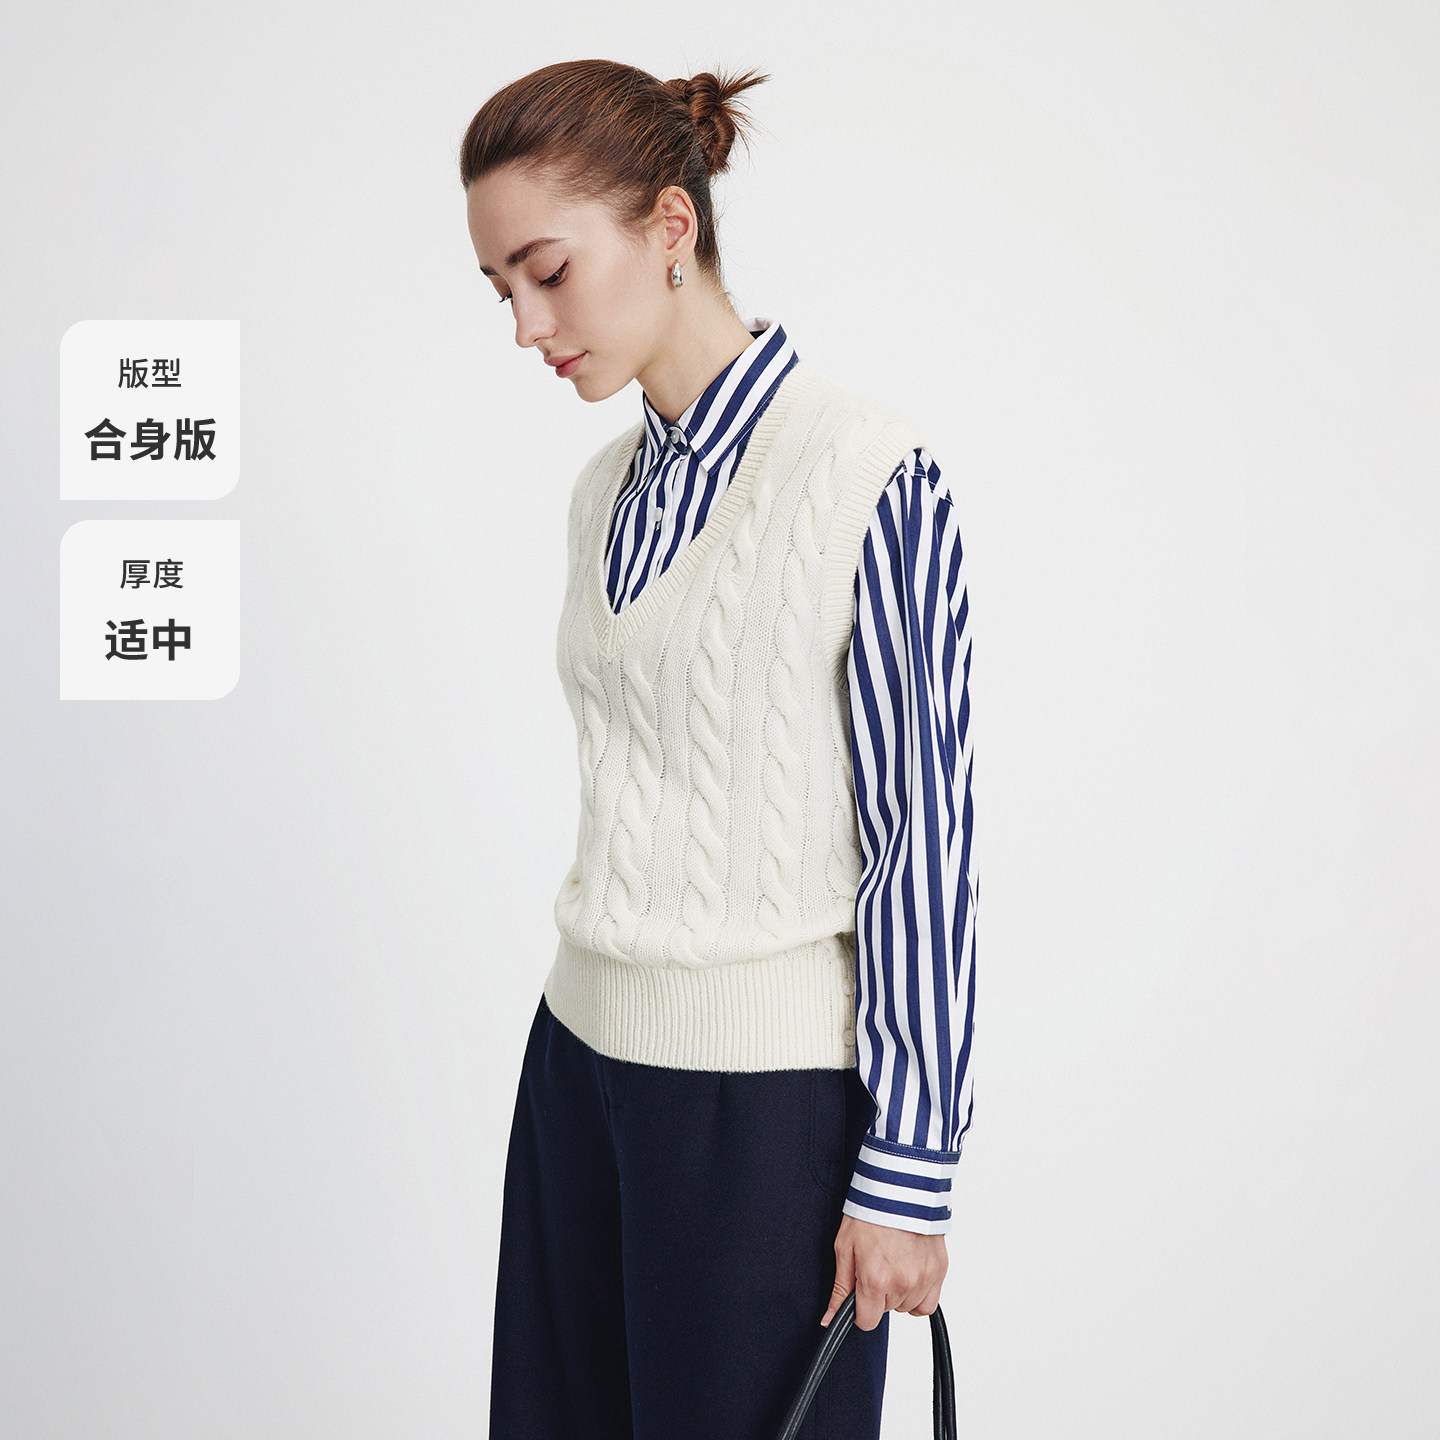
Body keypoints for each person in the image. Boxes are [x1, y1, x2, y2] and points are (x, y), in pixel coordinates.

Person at [460, 59, 978, 1440]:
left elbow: (923, 836)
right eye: (501, 290)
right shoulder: (602, 494)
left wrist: (909, 1168)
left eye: (547, 271)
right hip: (576, 1066)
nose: (527, 324)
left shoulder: (867, 475)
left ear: (671, 228)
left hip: (761, 1111)